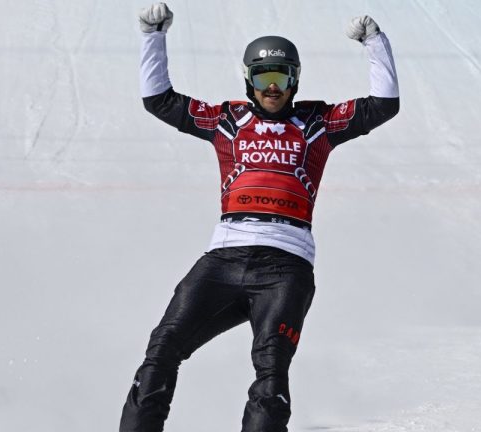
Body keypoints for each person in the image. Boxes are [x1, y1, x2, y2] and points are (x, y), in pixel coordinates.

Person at [120, 3, 399, 431]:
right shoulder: (226, 121)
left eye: (282, 78)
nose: (274, 89)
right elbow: (159, 100)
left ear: (295, 81)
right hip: (223, 259)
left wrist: (374, 43)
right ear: (249, 80)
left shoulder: (316, 122)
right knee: (162, 348)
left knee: (270, 372)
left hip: (285, 266)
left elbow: (384, 104)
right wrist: (152, 36)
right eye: (265, 78)